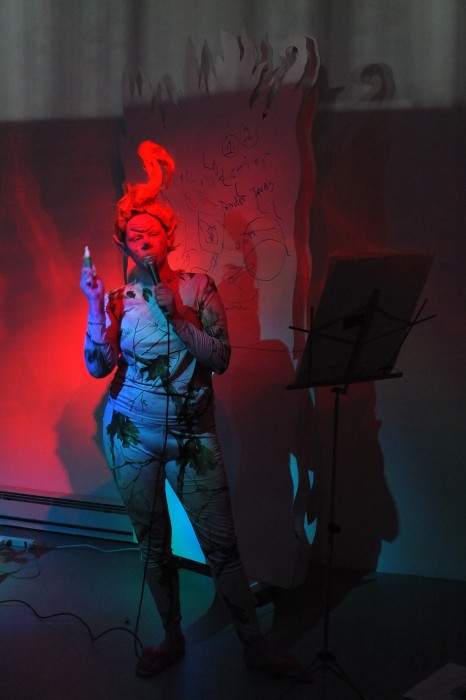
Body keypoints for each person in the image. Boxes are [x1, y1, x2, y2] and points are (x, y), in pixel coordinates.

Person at [80, 141, 310, 681]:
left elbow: (221, 360)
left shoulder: (197, 288)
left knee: (221, 545)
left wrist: (180, 315)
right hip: (130, 435)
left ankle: (255, 647)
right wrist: (92, 305)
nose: (143, 241)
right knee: (152, 545)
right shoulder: (116, 300)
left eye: (152, 233)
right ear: (124, 243)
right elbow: (97, 366)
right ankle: (171, 637)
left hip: (192, 435)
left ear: (168, 237)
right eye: (133, 235)